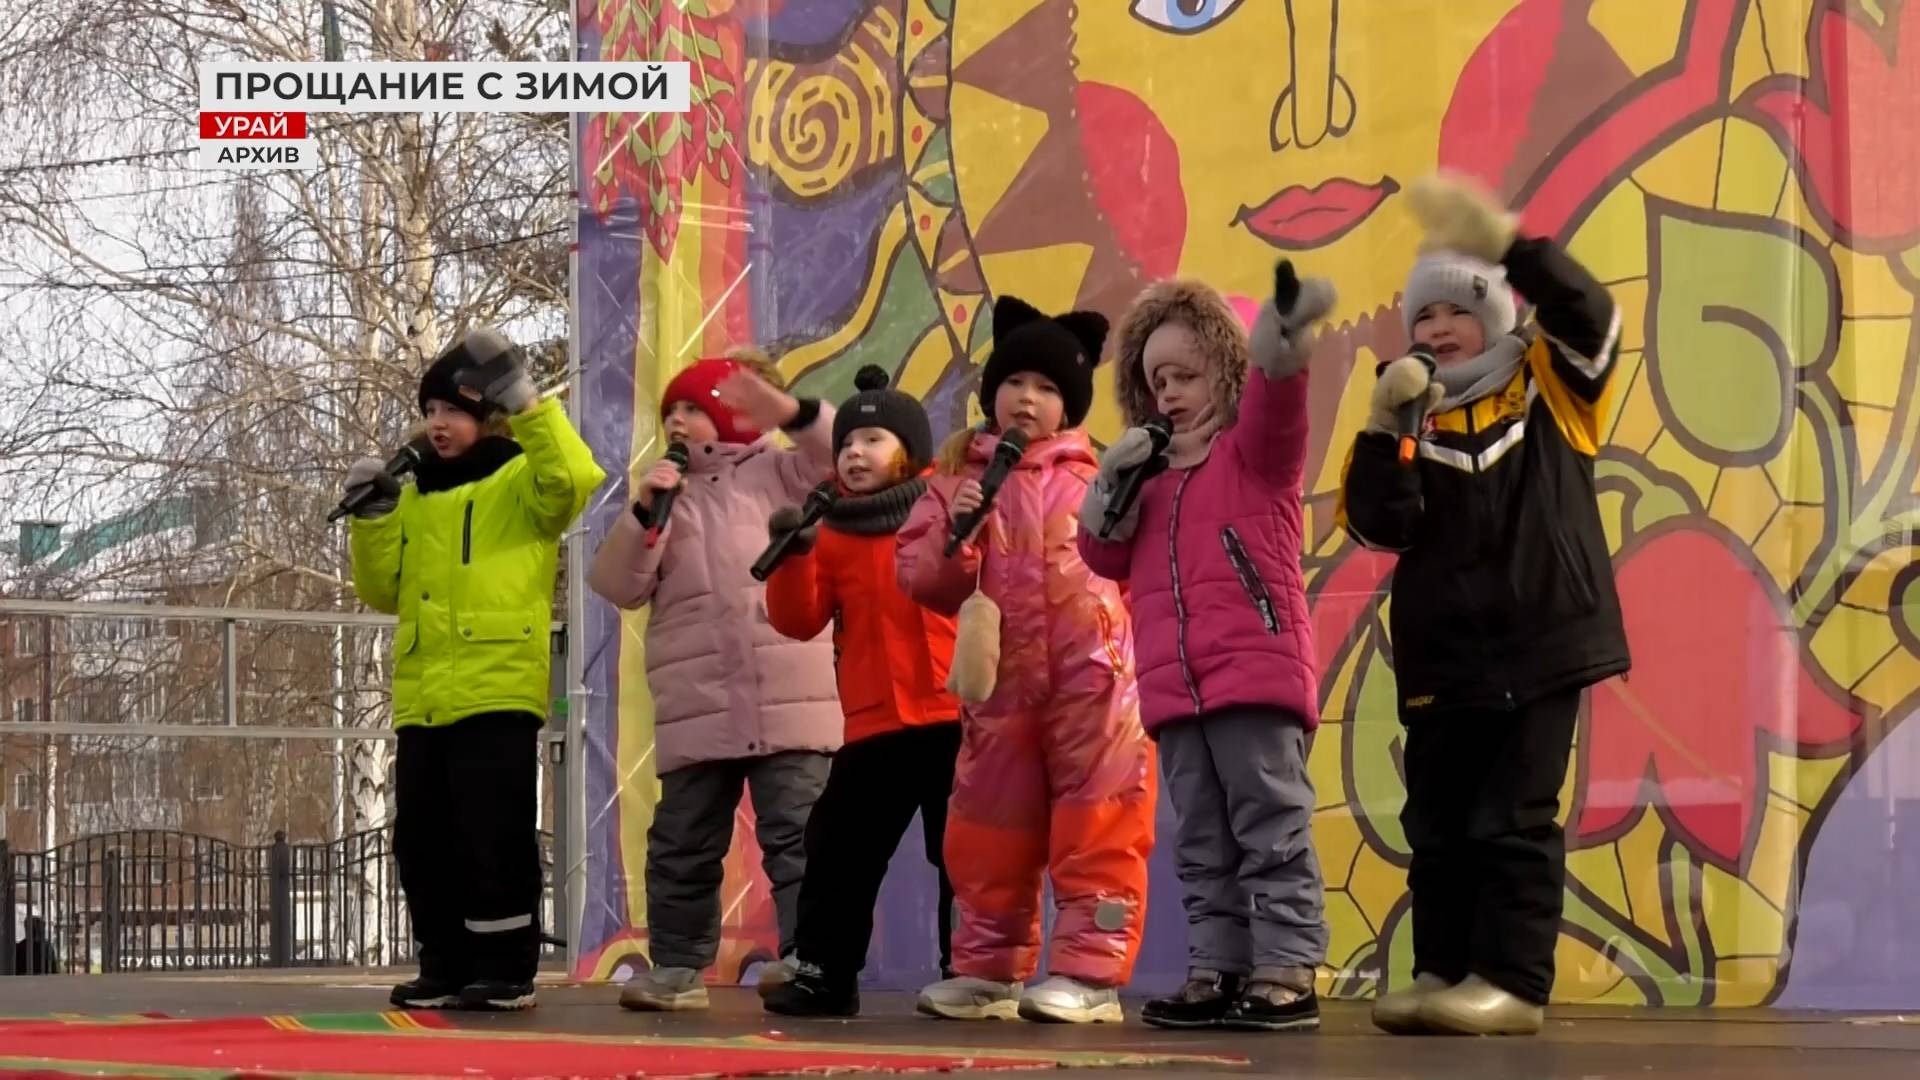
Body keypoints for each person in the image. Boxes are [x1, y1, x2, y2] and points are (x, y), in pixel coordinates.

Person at [1340, 173, 1630, 1036]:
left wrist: (1510, 248)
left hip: (1540, 643)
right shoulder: (1408, 411)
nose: (1437, 330)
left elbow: (1591, 314)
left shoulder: (1551, 382)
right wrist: (1384, 428)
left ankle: (1511, 984)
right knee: (1437, 824)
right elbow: (1379, 525)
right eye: (1423, 317)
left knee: (1512, 819)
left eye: (1457, 311)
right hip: (1443, 657)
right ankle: (1442, 971)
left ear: (1496, 314)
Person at [1077, 261, 1334, 1031]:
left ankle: (1286, 968)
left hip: (1253, 679)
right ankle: (1217, 969)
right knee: (1201, 841)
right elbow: (1101, 554)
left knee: (1271, 827)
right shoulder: (1149, 480)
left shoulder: (1252, 456)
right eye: (1157, 381)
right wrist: (1113, 482)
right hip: (1176, 692)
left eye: (1186, 375)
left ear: (1225, 373)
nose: (1170, 394)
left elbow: (1278, 407)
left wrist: (1281, 343)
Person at [895, 297, 1154, 1024]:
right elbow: (921, 578)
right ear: (991, 393)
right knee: (988, 830)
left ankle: (1090, 976)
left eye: (1045, 387)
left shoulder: (1102, 476)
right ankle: (987, 972)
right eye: (1014, 383)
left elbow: (1138, 575)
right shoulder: (958, 479)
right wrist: (958, 533)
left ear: (1069, 405)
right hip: (1001, 689)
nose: (1027, 399)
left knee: (1099, 824)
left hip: (1095, 687)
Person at [345, 327, 605, 1011]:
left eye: (453, 411)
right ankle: (444, 964)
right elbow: (383, 590)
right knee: (422, 840)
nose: (438, 423)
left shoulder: (520, 477)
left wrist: (529, 404)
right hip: (425, 695)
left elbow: (574, 478)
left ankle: (505, 969)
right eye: (430, 410)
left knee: (493, 835)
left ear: (485, 417)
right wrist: (373, 518)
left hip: (496, 687)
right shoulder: (415, 494)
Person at [585, 352, 841, 1012]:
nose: (676, 419)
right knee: (683, 844)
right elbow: (615, 584)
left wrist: (791, 412)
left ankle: (809, 960)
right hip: (698, 707)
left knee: (800, 836)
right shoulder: (666, 496)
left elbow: (840, 453)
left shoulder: (782, 471)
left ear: (731, 416)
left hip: (792, 700)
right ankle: (676, 968)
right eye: (669, 409)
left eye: (692, 407)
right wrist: (644, 515)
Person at [759, 365, 962, 1018]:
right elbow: (797, 620)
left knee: (964, 852)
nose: (854, 452)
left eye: (873, 439)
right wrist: (794, 555)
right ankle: (824, 974)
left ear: (912, 450)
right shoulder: (831, 530)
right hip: (875, 722)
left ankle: (971, 973)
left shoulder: (947, 508)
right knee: (838, 847)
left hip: (955, 712)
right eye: (846, 442)